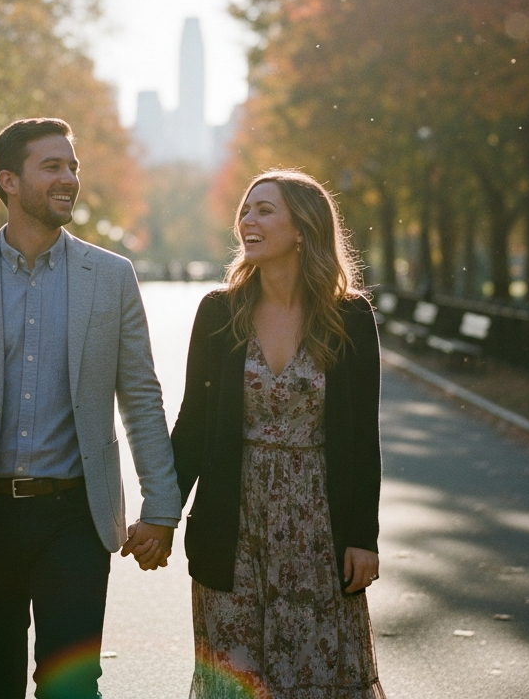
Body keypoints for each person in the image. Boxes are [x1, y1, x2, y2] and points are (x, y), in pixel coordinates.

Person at [0, 117, 181, 699]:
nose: (69, 178)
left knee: (70, 686)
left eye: (72, 166)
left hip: (76, 515)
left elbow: (142, 396)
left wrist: (162, 504)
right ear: (9, 181)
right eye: (52, 166)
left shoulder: (112, 277)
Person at [171, 169, 386, 699]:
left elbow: (363, 437)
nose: (248, 220)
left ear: (303, 229)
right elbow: (193, 422)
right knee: (238, 680)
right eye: (245, 209)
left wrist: (363, 535)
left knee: (313, 674)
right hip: (232, 520)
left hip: (318, 526)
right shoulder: (220, 312)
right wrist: (161, 511)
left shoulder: (350, 318)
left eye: (265, 210)